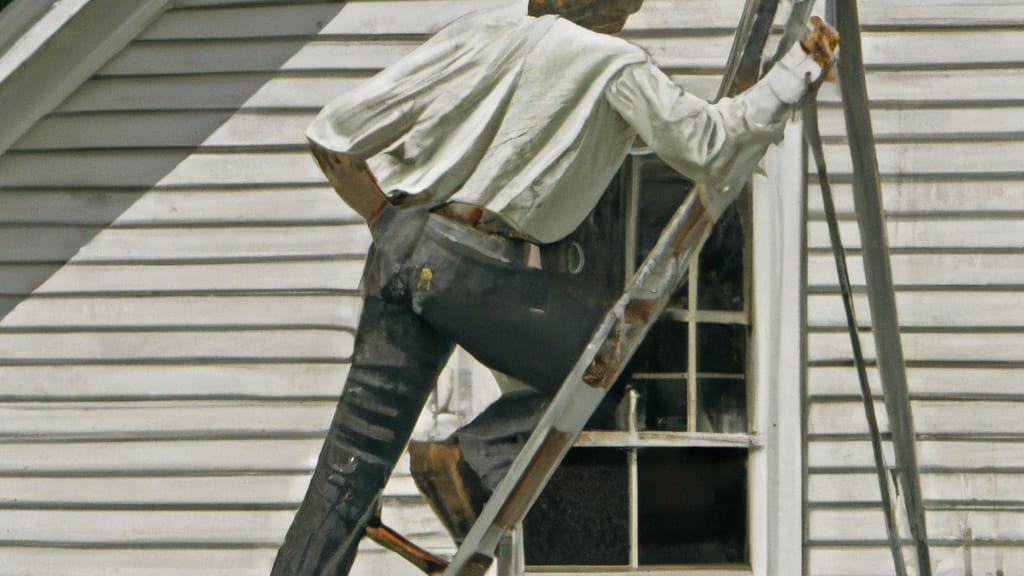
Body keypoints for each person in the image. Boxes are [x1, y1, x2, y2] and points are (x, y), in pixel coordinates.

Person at [271, 1, 838, 574]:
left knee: (354, 460)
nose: (635, 8)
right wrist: (797, 72)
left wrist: (382, 219)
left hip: (398, 248)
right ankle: (469, 458)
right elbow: (709, 146)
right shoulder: (613, 64)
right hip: (470, 263)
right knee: (605, 366)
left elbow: (333, 130)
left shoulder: (483, 29)